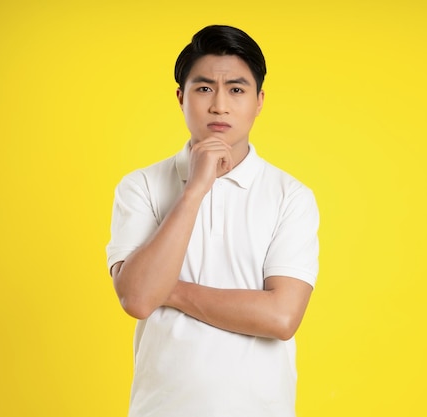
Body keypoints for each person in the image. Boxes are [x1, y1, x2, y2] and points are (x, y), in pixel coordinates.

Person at [106, 24, 319, 417]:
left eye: (236, 90)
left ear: (258, 101)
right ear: (181, 97)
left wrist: (167, 291)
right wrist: (194, 189)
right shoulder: (141, 186)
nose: (219, 105)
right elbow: (137, 300)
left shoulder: (291, 196)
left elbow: (281, 316)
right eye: (204, 88)